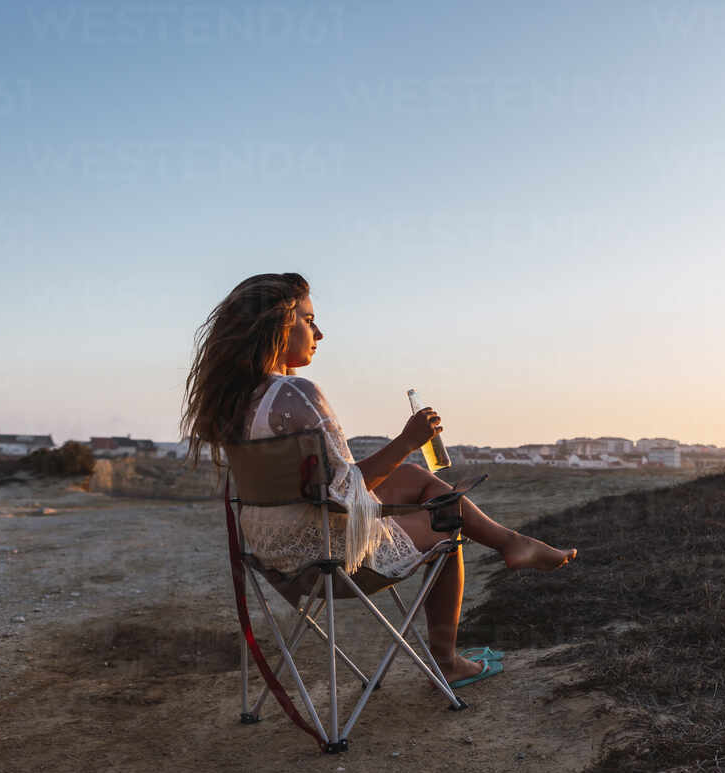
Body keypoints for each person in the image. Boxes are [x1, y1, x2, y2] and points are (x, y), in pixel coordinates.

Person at [181, 273, 574, 688]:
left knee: (414, 478)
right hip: (328, 555)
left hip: (272, 553)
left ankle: (511, 543)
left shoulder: (235, 401)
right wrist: (408, 440)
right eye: (309, 320)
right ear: (279, 325)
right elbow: (346, 490)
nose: (319, 332)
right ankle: (449, 659)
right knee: (446, 520)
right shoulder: (296, 394)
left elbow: (325, 485)